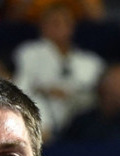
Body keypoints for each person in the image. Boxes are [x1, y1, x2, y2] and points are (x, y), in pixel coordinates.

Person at [12, 2, 104, 140]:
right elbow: (21, 87)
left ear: (72, 27)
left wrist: (69, 94)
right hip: (44, 116)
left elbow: (96, 96)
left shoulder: (90, 62)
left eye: (65, 23)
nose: (59, 27)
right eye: (54, 23)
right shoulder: (28, 53)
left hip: (81, 120)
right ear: (42, 26)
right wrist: (46, 90)